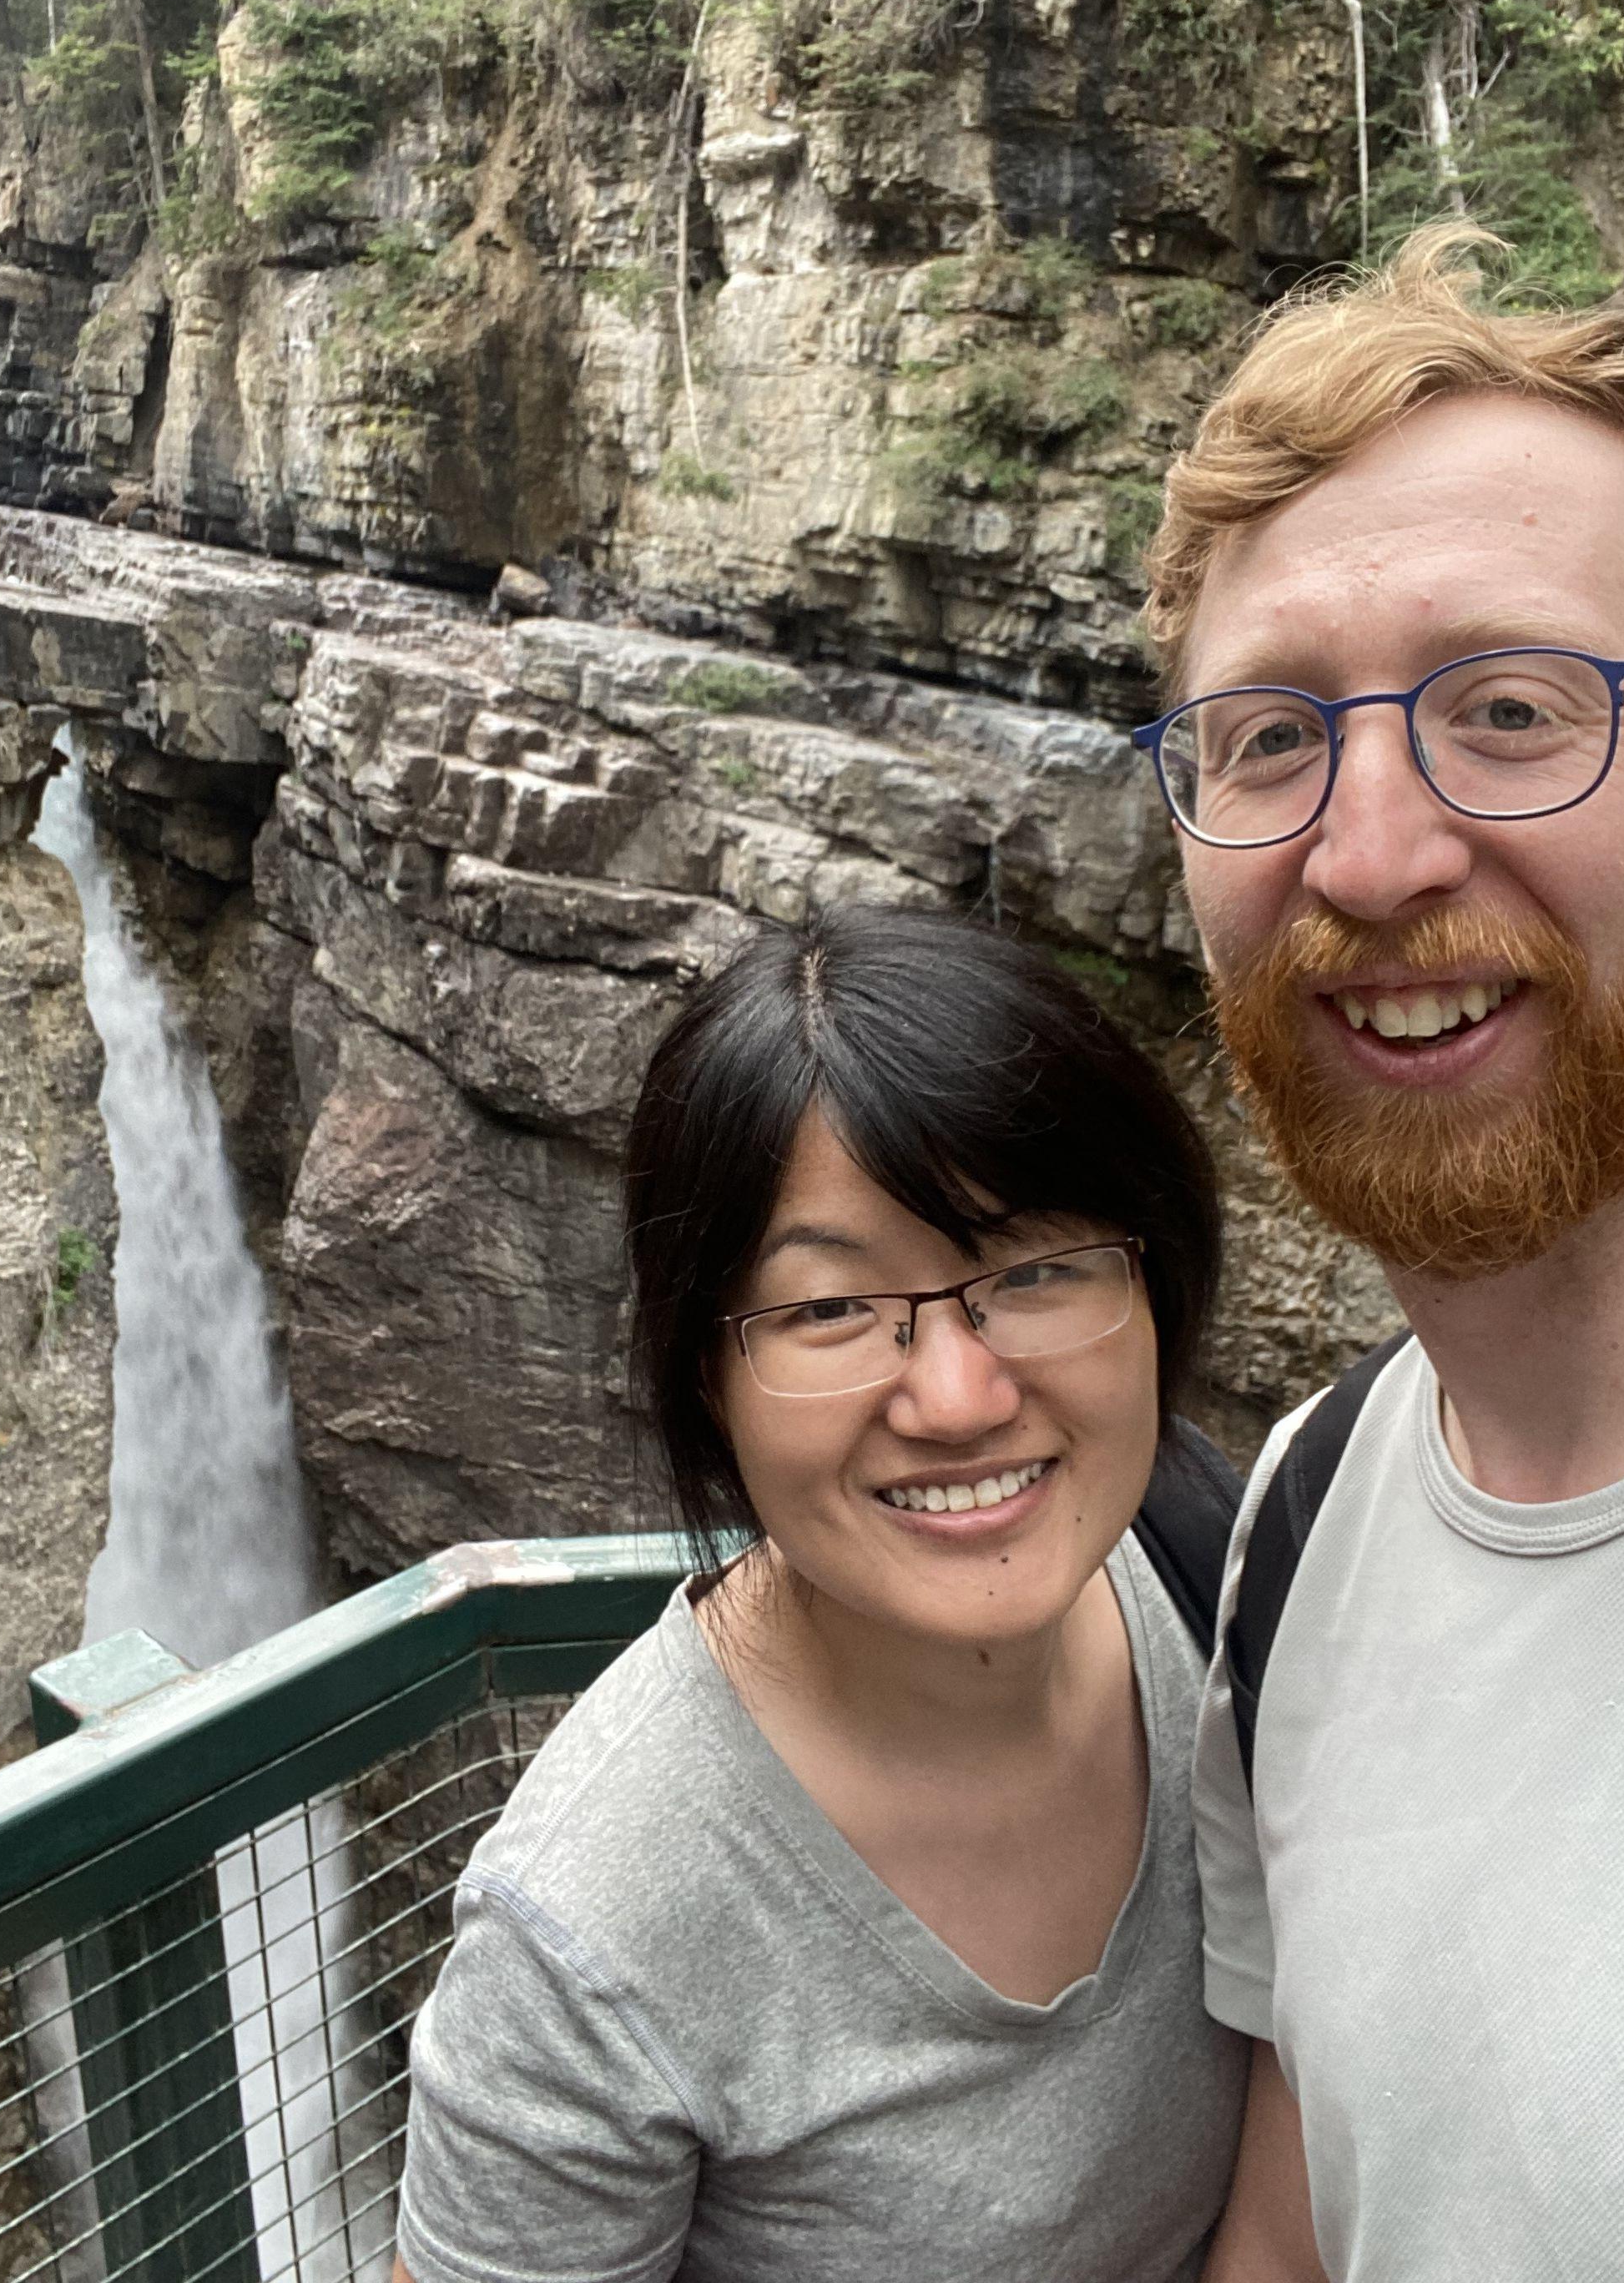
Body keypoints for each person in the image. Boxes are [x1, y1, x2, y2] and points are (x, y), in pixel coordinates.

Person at [1129, 225, 1624, 2282]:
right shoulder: (1296, 1516)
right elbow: (1304, 2220)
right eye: (1266, 739)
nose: (1370, 854)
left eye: (1506, 706)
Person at [390, 905, 1251, 2283]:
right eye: (829, 1311)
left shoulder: (1216, 1578)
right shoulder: (592, 1938)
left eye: (1034, 1271)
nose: (961, 1399)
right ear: (704, 1381)